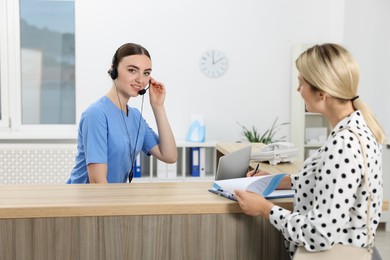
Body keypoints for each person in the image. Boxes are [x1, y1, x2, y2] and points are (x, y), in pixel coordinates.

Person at [234, 43, 386, 259]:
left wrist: (265, 209)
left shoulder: (344, 143)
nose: (298, 90)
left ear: (322, 93)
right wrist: (279, 180)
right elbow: (332, 181)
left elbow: (319, 234)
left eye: (301, 83)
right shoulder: (356, 129)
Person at [67, 43, 177, 184]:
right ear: (114, 70)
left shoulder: (135, 117)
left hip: (113, 198)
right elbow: (97, 181)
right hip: (88, 200)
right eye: (132, 70)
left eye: (146, 73)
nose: (140, 79)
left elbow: (169, 156)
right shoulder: (96, 114)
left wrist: (158, 107)